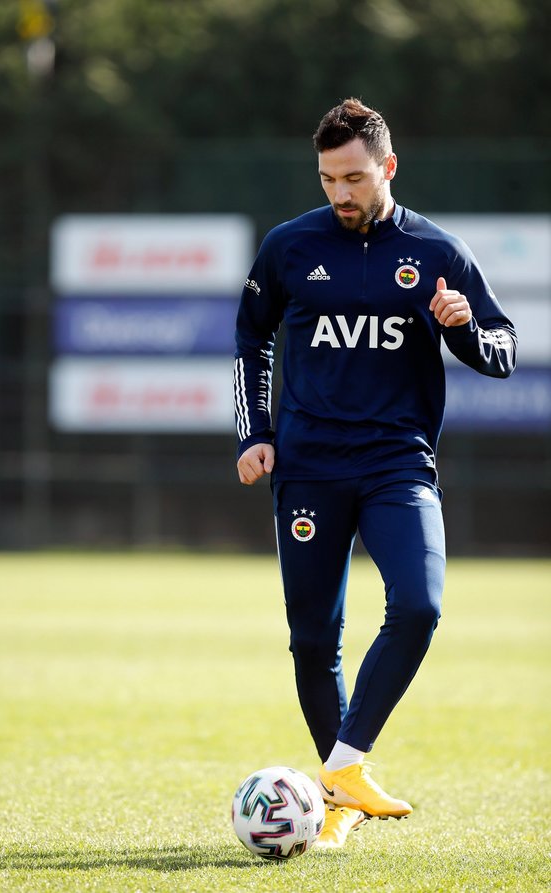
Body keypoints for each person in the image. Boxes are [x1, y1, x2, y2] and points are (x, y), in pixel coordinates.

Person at [233, 98, 517, 848]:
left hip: (398, 464)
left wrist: (463, 328)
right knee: (312, 640)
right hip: (309, 469)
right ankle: (338, 800)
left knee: (419, 605)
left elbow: (502, 350)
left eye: (354, 177)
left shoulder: (438, 251)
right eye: (329, 179)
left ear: (388, 166)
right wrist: (255, 434)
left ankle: (343, 767)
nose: (341, 193)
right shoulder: (289, 245)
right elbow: (251, 340)